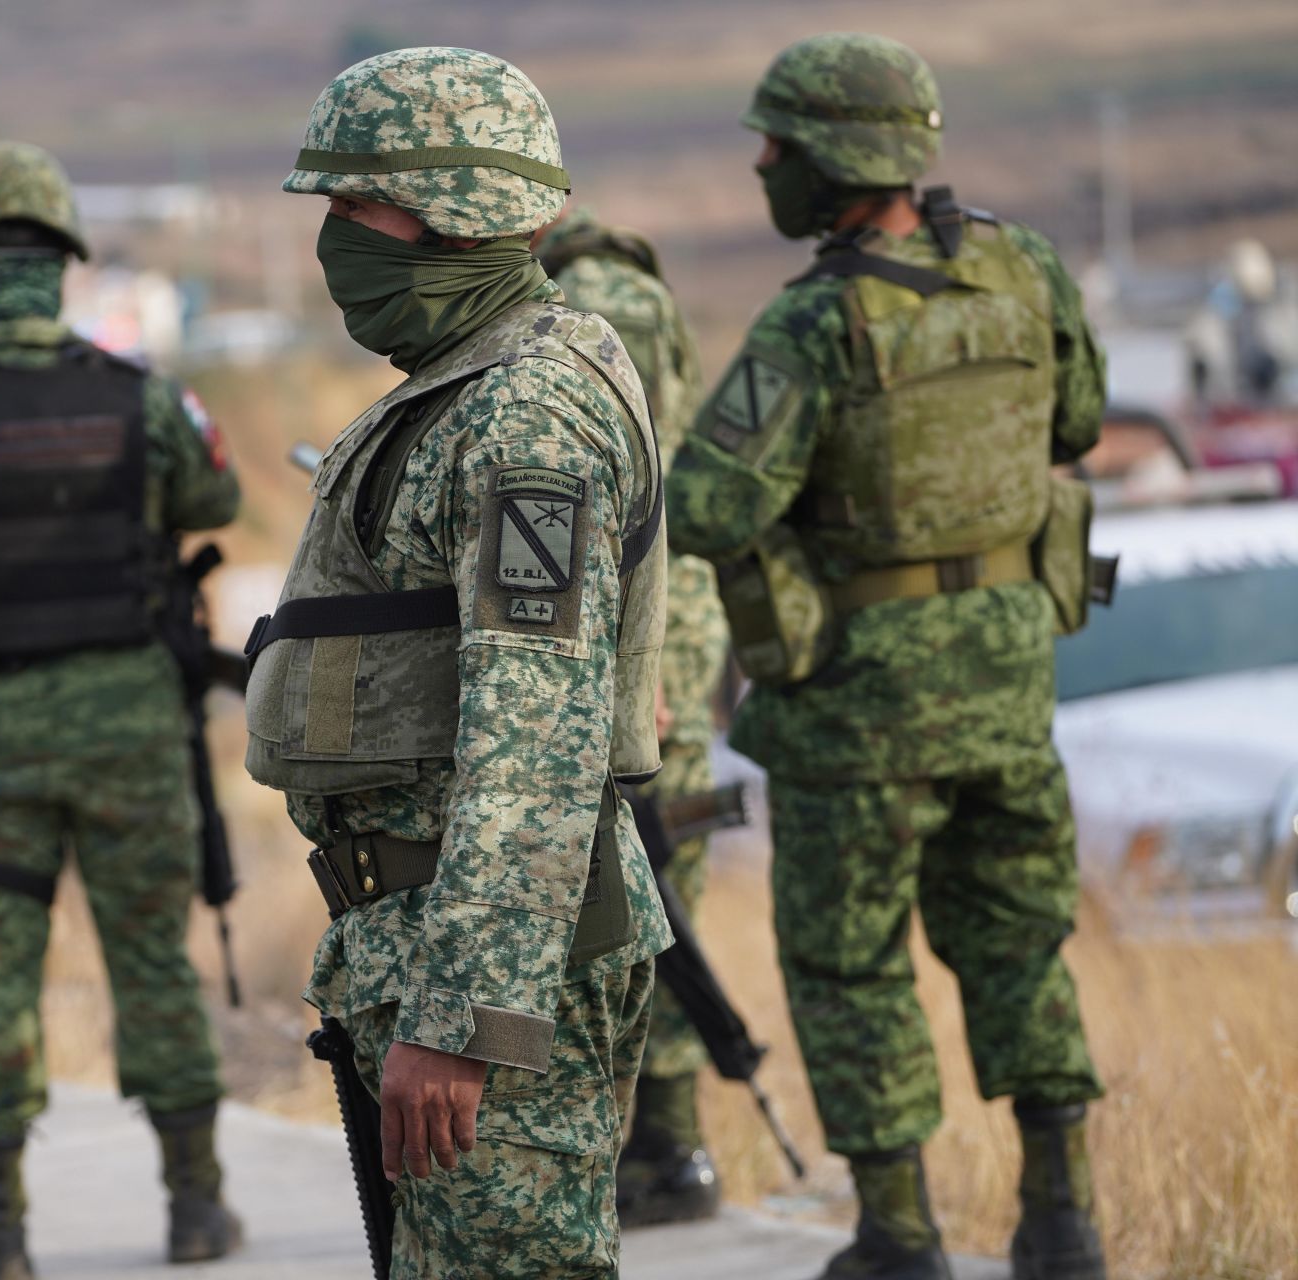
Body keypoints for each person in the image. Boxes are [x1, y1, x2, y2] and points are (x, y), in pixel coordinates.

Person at [663, 33, 1108, 1280]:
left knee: (851, 963)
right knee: (1021, 941)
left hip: (858, 711)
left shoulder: (812, 320)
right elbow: (1076, 420)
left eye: (777, 145)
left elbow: (706, 508)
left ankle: (900, 1237)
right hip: (1011, 688)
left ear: (833, 156)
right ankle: (1065, 1222)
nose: (763, 166)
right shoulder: (1026, 271)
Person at [245, 46, 673, 1277]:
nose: (334, 240)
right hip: (424, 936)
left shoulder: (525, 408)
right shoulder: (460, 385)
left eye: (352, 205)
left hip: (487, 965)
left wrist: (468, 1019)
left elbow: (535, 733)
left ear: (452, 208)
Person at [0, 141, 243, 1280]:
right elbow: (215, 494)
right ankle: (197, 1209)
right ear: (64, 263)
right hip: (131, 725)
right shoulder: (145, 398)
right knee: (154, 962)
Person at [534, 204, 731, 1225]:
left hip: (632, 619)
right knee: (663, 886)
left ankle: (659, 1146)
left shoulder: (590, 301)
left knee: (632, 897)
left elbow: (610, 478)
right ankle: (669, 1143)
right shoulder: (644, 295)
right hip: (671, 620)